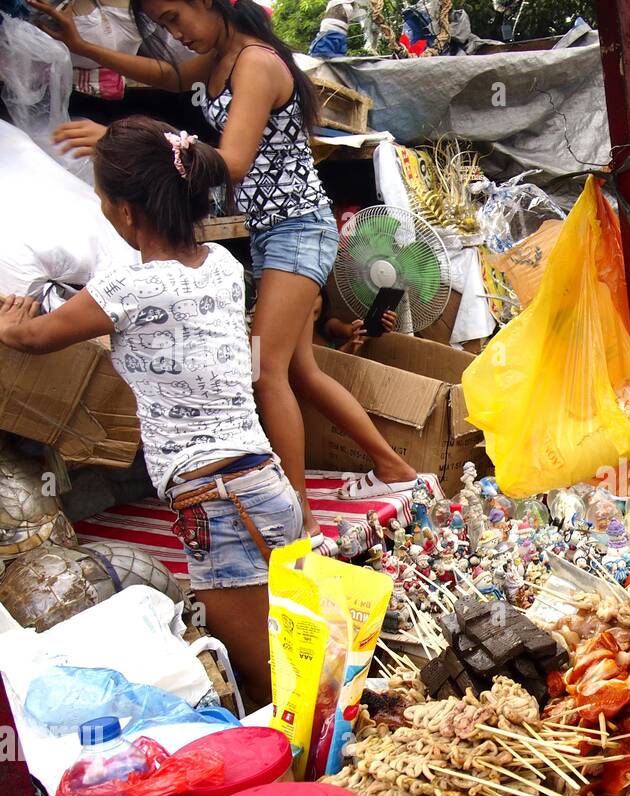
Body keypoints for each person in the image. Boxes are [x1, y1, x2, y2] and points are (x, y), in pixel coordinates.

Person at [33, 0, 420, 547]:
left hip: (297, 230)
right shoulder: (219, 59)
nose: (175, 33)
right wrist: (83, 47)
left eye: (175, 17)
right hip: (273, 233)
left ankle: (300, 519)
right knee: (299, 371)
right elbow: (163, 76)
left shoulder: (256, 63)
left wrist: (131, 147)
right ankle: (392, 466)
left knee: (266, 372)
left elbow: (232, 163)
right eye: (163, 26)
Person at [0, 117, 306, 707]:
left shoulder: (125, 285)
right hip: (261, 483)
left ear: (126, 212)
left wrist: (11, 322)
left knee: (270, 680)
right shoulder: (222, 264)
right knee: (288, 652)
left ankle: (312, 780)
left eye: (102, 199)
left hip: (215, 495)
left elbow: (37, 338)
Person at [313, 286, 397, 354]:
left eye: (316, 294)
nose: (311, 302)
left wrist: (382, 323)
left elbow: (356, 331)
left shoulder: (328, 326)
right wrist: (345, 350)